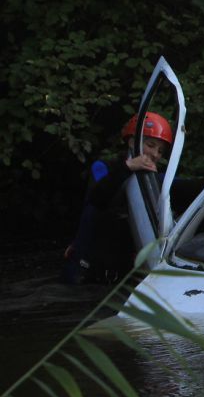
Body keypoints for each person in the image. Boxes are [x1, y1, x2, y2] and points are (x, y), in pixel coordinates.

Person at [61, 112, 173, 284]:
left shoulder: (152, 179)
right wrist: (128, 167)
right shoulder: (103, 167)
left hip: (118, 277)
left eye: (160, 151)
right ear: (132, 142)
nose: (155, 154)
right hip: (84, 274)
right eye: (151, 145)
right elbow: (97, 197)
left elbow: (181, 186)